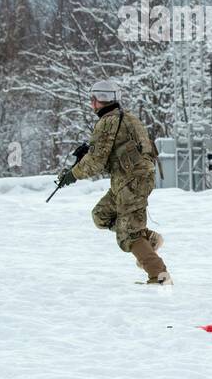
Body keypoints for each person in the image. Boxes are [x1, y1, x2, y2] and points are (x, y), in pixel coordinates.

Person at [57, 80, 170, 285]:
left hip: (130, 182)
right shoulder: (129, 118)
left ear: (97, 101)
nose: (92, 104)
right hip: (131, 181)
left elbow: (96, 161)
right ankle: (149, 240)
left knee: (128, 235)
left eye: (94, 99)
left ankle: (159, 275)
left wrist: (72, 174)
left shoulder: (107, 122)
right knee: (101, 215)